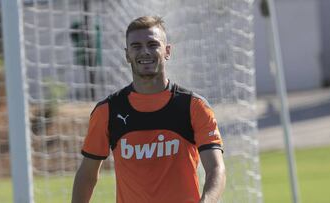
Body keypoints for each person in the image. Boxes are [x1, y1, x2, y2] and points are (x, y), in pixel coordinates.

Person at [72, 15, 226, 203]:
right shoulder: (107, 111)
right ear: (127, 54)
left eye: (153, 44)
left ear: (167, 51)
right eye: (136, 46)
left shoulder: (194, 107)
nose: (145, 51)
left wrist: (207, 200)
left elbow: (216, 168)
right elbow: (87, 175)